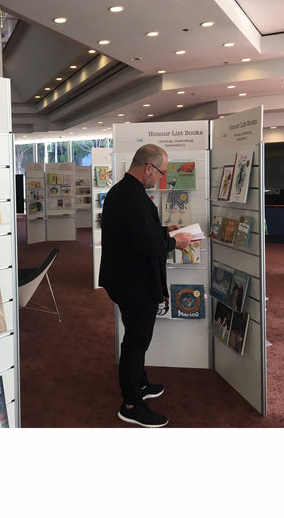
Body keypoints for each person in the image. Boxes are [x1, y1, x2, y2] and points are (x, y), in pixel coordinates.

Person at [99, 144, 193, 427]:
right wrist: (175, 242)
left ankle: (139, 385)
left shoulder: (125, 192)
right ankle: (130, 404)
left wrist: (164, 231)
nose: (160, 179)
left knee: (136, 337)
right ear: (148, 168)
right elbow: (146, 245)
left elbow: (137, 233)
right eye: (161, 173)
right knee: (136, 342)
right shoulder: (131, 196)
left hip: (127, 279)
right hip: (134, 283)